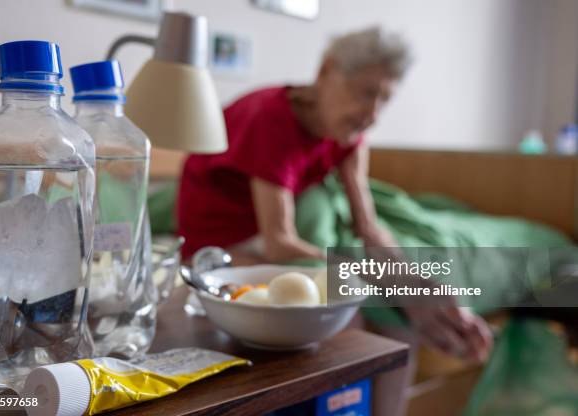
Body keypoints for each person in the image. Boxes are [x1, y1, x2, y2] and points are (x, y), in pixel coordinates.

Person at [178, 26, 491, 375]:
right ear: (326, 71)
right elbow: (279, 243)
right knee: (342, 306)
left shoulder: (349, 131)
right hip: (220, 241)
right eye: (365, 92)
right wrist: (378, 277)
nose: (373, 113)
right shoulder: (270, 119)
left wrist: (416, 284)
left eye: (385, 98)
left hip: (266, 231)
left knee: (396, 303)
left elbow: (369, 228)